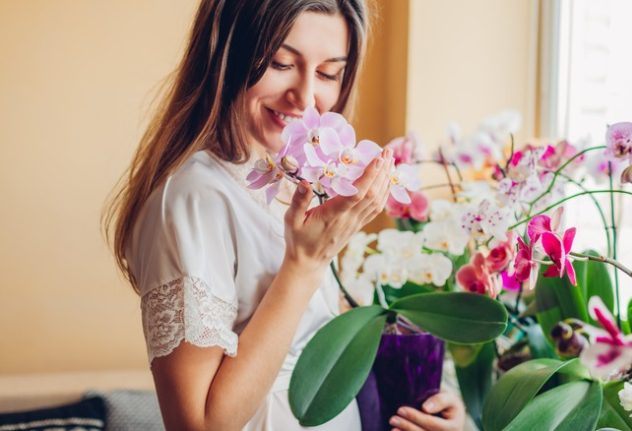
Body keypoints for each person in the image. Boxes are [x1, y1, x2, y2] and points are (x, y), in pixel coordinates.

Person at [105, 1, 466, 430]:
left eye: (330, 73)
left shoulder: (288, 183)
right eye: (280, 63)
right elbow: (197, 424)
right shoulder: (194, 197)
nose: (307, 97)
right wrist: (304, 264)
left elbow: (314, 359)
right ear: (228, 55)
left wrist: (421, 409)